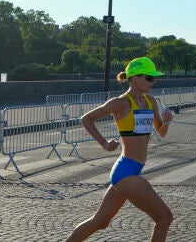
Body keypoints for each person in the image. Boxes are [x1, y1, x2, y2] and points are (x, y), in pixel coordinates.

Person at [66, 57, 175, 242]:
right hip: (125, 172)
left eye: (154, 77)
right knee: (164, 217)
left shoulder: (150, 101)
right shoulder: (121, 103)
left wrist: (167, 121)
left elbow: (161, 132)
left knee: (100, 221)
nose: (153, 81)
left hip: (131, 170)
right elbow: (86, 119)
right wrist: (104, 143)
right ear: (134, 78)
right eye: (149, 77)